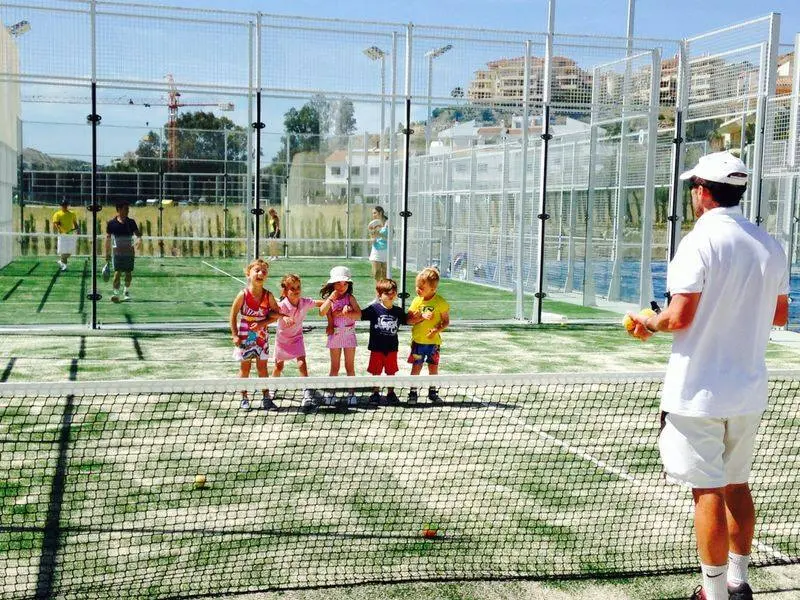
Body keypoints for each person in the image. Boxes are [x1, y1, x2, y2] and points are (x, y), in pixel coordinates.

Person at [625, 151, 789, 600]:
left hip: (698, 394)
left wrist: (648, 321)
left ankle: (713, 595)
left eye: (693, 188)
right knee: (737, 485)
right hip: (748, 392)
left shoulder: (698, 242)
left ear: (702, 192)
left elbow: (678, 317)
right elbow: (780, 315)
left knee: (708, 492)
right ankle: (738, 584)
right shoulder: (769, 245)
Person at [229, 258, 284, 411]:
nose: (260, 274)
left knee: (262, 368)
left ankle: (266, 398)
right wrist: (234, 335)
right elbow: (233, 315)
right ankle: (244, 398)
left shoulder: (268, 295)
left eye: (264, 271)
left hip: (261, 336)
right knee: (245, 368)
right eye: (257, 270)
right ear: (248, 273)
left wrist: (263, 322)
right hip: (245, 334)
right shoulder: (243, 294)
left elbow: (276, 314)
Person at [272, 273, 325, 412]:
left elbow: (318, 303)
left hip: (297, 338)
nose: (296, 290)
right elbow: (272, 313)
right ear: (285, 291)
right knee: (278, 367)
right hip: (282, 340)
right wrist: (283, 316)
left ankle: (306, 393)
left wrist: (331, 303)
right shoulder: (282, 305)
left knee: (302, 363)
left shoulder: (304, 302)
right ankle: (272, 388)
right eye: (292, 288)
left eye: (298, 287)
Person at [406, 266, 450, 404]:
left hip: (433, 344)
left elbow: (446, 321)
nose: (417, 289)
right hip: (418, 343)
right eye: (417, 286)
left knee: (433, 367)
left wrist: (436, 330)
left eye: (421, 287)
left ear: (433, 288)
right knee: (416, 367)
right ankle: (413, 393)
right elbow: (409, 320)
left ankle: (433, 392)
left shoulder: (440, 302)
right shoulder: (416, 301)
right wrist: (421, 317)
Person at [319, 265, 362, 407]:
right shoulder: (330, 299)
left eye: (345, 283)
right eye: (338, 283)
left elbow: (358, 315)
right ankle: (331, 393)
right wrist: (330, 299)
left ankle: (351, 393)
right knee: (334, 367)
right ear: (332, 284)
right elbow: (321, 312)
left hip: (349, 335)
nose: (342, 286)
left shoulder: (350, 298)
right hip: (335, 336)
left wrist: (348, 313)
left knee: (350, 366)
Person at [361, 278, 406, 405]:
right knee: (376, 372)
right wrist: (347, 309)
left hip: (392, 348)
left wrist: (421, 317)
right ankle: (375, 393)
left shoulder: (398, 311)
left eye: (393, 292)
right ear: (379, 295)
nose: (391, 295)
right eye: (387, 293)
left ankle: (391, 393)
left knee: (391, 372)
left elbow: (409, 320)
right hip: (376, 348)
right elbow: (359, 314)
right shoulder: (373, 309)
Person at [105, 201, 142, 302]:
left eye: (128, 209)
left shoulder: (131, 222)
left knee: (128, 273)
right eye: (126, 209)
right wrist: (107, 253)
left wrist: (139, 240)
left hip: (129, 253)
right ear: (119, 209)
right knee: (117, 273)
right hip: (117, 253)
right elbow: (108, 239)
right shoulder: (111, 223)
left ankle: (126, 292)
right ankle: (116, 294)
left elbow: (138, 234)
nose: (128, 211)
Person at [52, 199, 79, 272]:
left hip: (70, 234)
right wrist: (60, 230)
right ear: (61, 206)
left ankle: (61, 262)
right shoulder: (57, 214)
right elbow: (56, 223)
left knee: (70, 251)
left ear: (67, 205)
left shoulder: (72, 213)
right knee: (63, 250)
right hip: (62, 235)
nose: (64, 206)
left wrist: (76, 229)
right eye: (63, 205)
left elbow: (75, 224)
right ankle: (64, 266)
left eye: (66, 205)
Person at [368, 206, 389, 282]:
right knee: (376, 272)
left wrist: (379, 234)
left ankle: (384, 288)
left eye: (375, 213)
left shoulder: (388, 222)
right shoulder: (373, 224)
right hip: (376, 250)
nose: (373, 215)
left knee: (385, 273)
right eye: (372, 213)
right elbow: (372, 236)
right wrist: (372, 239)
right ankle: (378, 288)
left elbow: (391, 235)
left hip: (386, 250)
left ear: (380, 213)